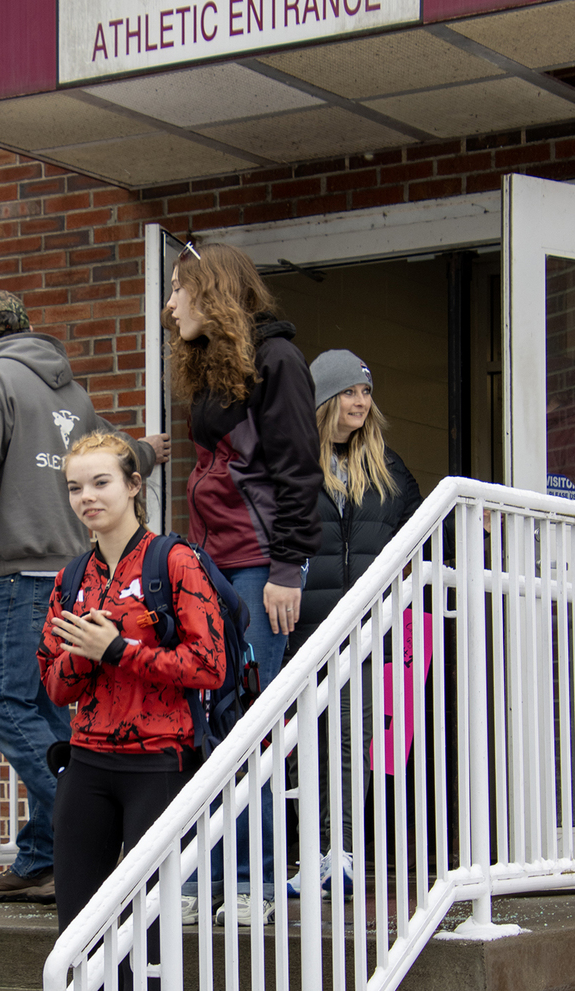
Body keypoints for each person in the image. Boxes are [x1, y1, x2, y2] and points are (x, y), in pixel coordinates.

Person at [0, 290, 169, 904]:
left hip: (20, 581)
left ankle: (88, 821)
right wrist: (147, 452)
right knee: (52, 715)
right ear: (29, 331)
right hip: (71, 580)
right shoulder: (70, 393)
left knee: (6, 706)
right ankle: (43, 856)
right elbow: (115, 455)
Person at [163, 242, 322, 926]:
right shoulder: (211, 366)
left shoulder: (278, 360)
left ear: (213, 290)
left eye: (179, 289)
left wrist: (286, 570)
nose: (170, 305)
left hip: (260, 565)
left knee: (249, 723)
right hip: (213, 565)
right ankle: (209, 878)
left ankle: (257, 880)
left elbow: (298, 472)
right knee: (209, 718)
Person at [37, 431, 225, 981]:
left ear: (134, 484)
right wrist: (86, 654)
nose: (87, 497)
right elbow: (55, 688)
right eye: (75, 487)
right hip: (86, 763)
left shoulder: (175, 561)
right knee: (78, 934)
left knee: (147, 936)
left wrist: (118, 650)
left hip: (159, 763)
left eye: (101, 482)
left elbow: (209, 664)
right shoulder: (71, 577)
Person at [285, 349, 423, 900]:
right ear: (324, 399)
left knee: (350, 738)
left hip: (364, 630)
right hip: (303, 628)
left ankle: (339, 852)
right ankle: (312, 853)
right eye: (349, 392)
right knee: (307, 743)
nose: (361, 402)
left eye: (366, 392)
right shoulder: (294, 463)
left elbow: (423, 532)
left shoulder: (388, 467)